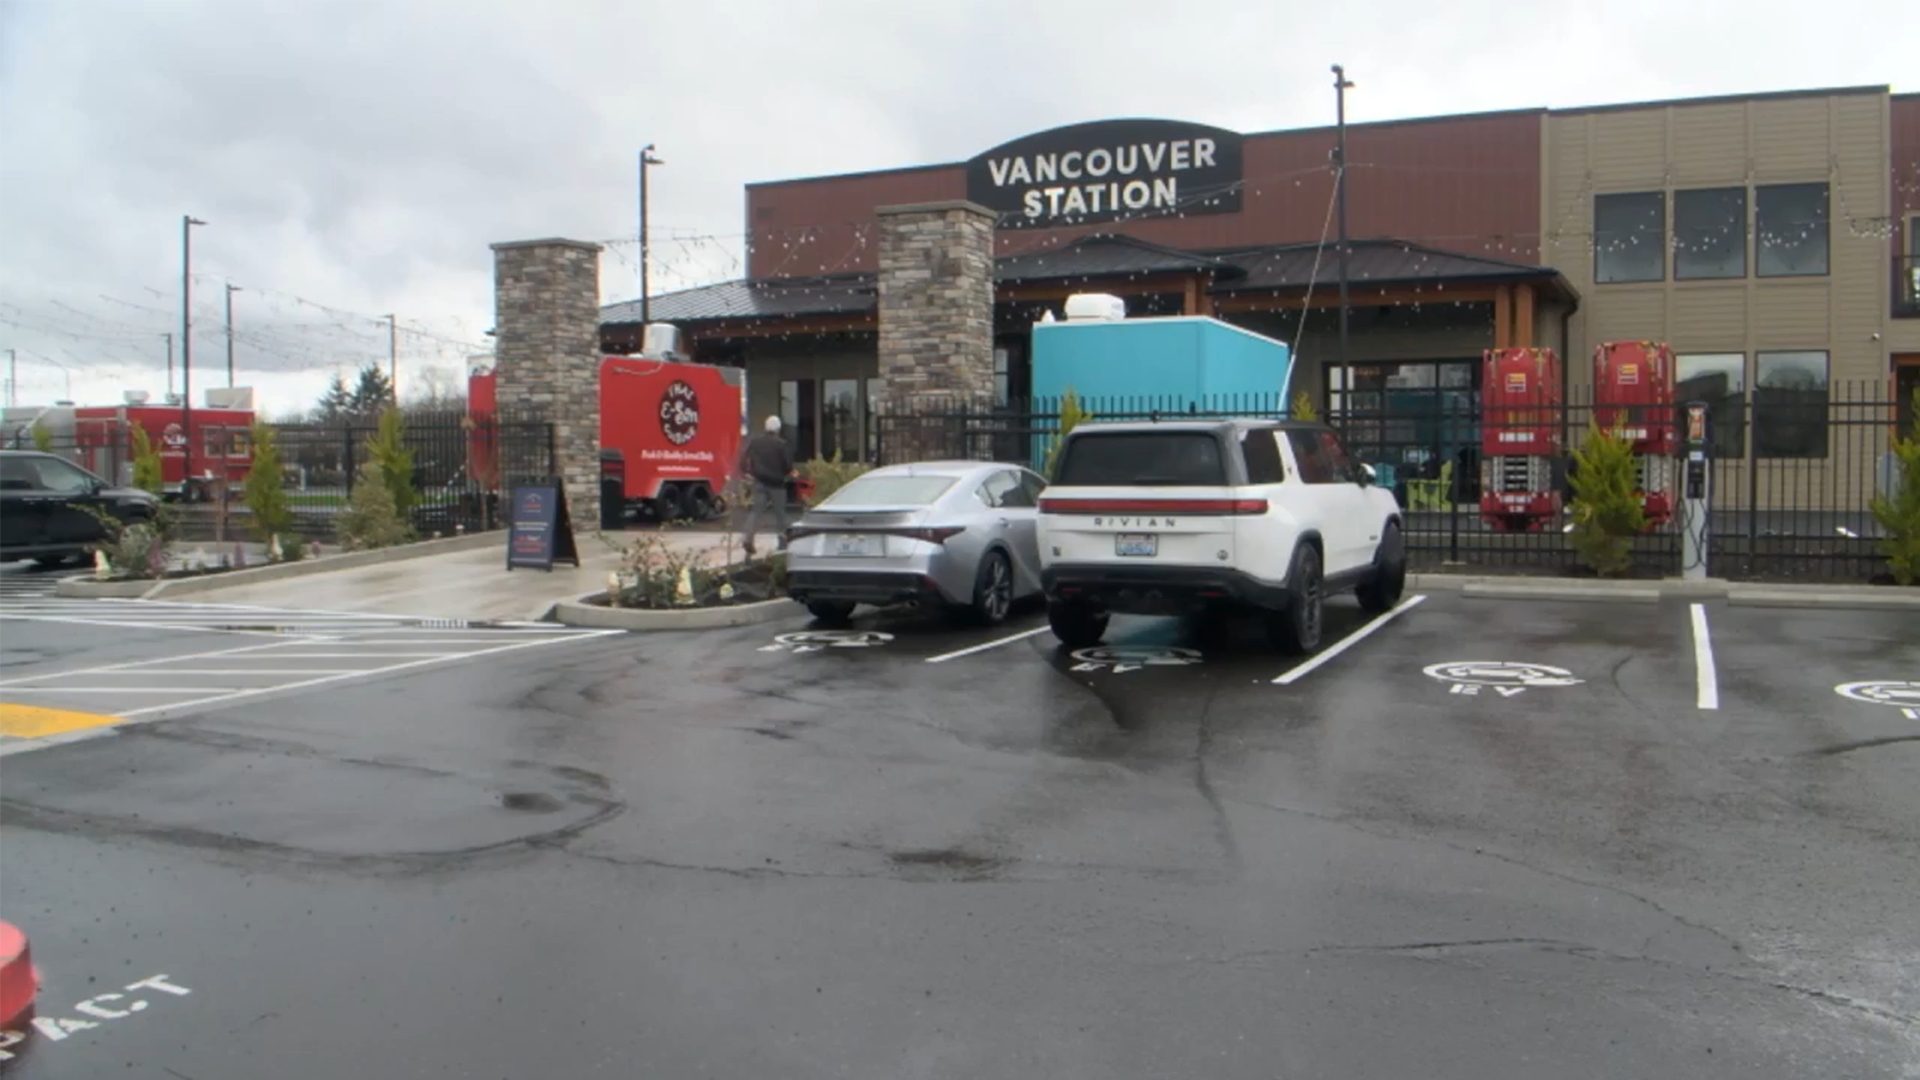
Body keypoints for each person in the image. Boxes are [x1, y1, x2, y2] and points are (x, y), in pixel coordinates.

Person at [737, 415, 797, 555]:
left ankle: (748, 538)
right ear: (778, 429)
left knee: (756, 512)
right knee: (780, 514)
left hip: (759, 482)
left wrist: (746, 472)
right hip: (777, 484)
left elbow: (744, 458)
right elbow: (787, 466)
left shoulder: (755, 441)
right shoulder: (781, 444)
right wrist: (790, 473)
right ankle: (782, 542)